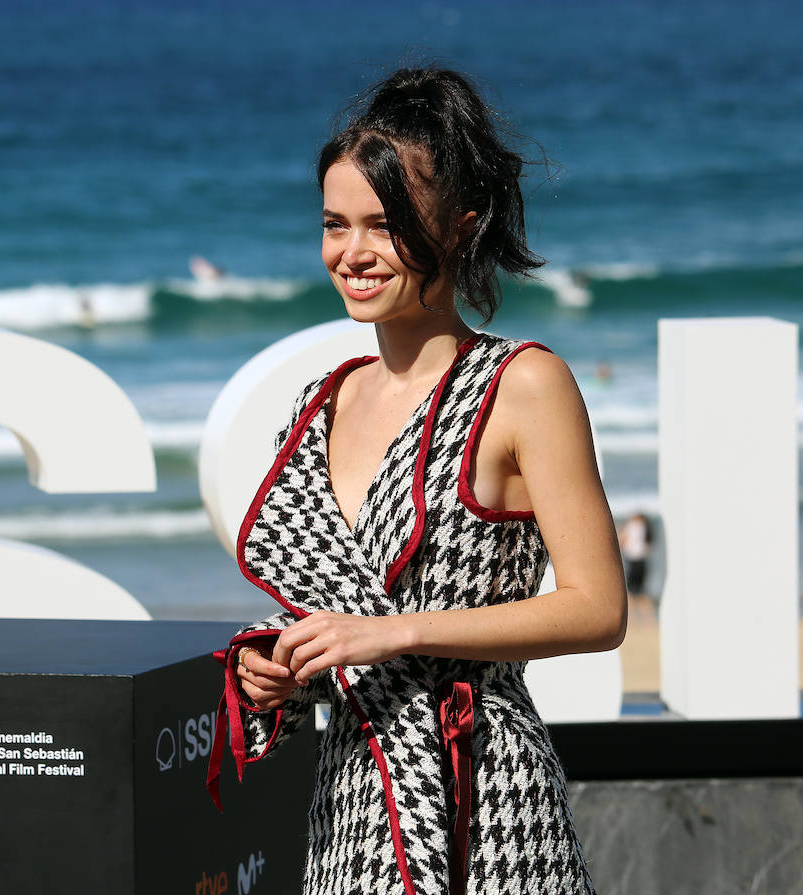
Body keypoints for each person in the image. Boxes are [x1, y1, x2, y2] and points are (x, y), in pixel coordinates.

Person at [207, 67, 624, 895]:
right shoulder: (319, 403)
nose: (352, 253)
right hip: (351, 794)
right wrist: (283, 667)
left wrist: (390, 632)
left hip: (483, 786)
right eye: (334, 224)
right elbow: (337, 609)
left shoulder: (522, 383)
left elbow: (598, 606)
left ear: (462, 226)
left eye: (386, 225)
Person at [617, 512, 654, 621]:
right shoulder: (646, 527)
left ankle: (631, 619)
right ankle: (649, 617)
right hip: (643, 561)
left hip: (633, 561)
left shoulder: (632, 525)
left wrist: (619, 530)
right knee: (642, 592)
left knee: (631, 592)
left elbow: (622, 542)